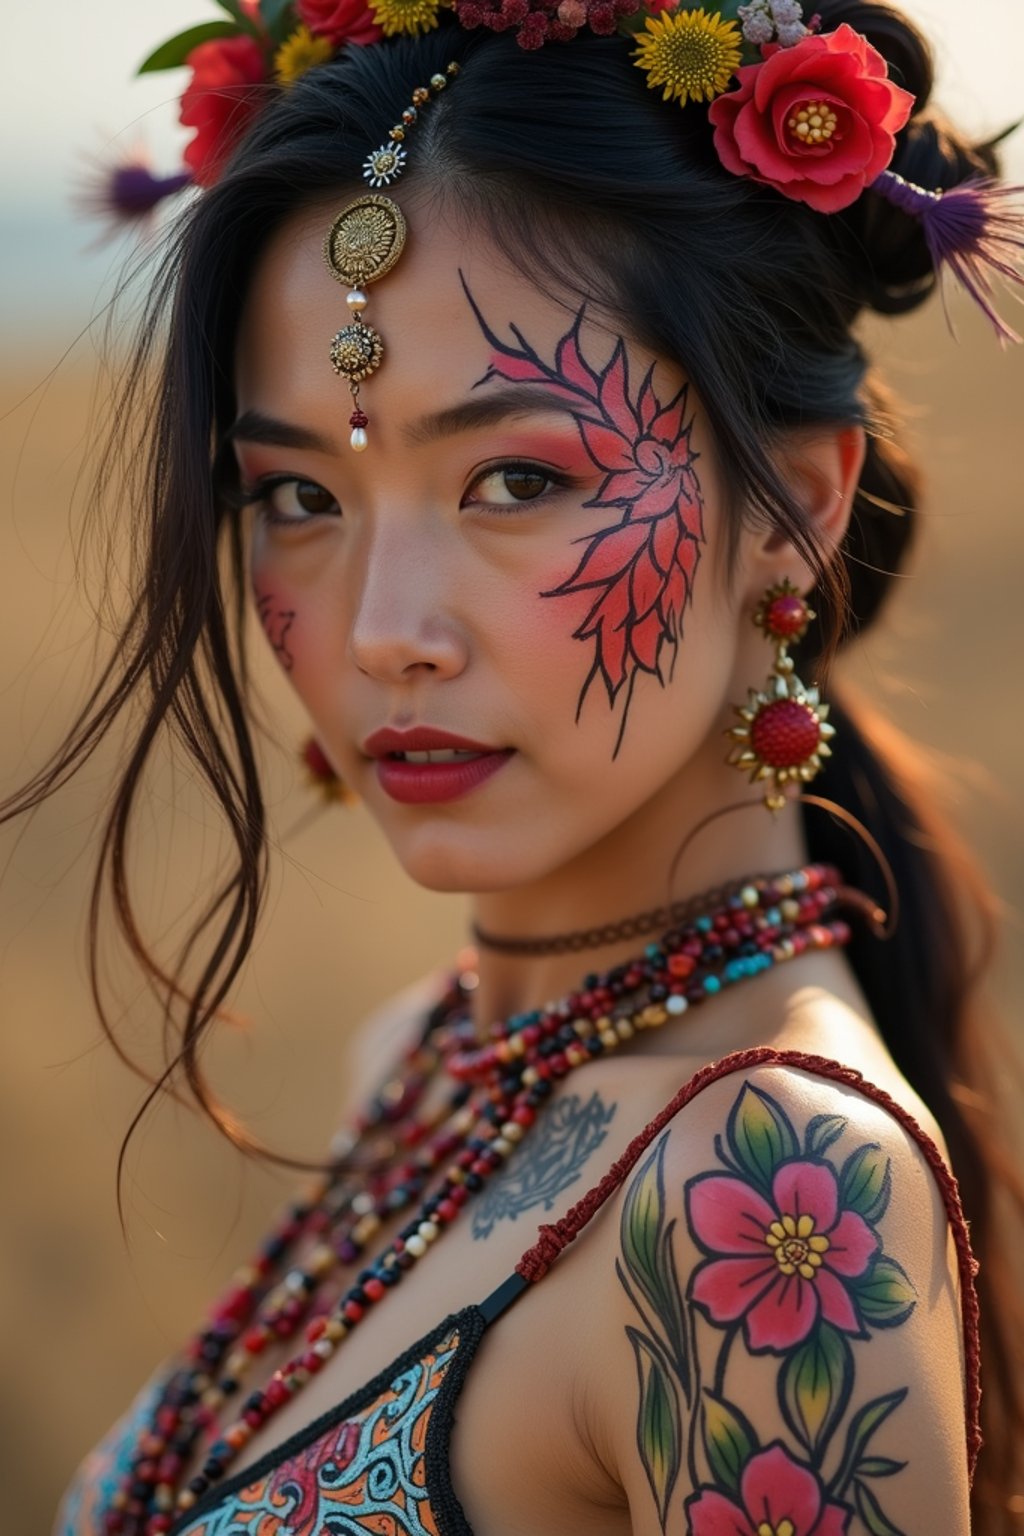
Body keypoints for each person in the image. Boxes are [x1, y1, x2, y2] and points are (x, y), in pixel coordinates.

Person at [7, 0, 1023, 1531]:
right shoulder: (426, 1058)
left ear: (793, 514)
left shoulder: (771, 1197)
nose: (384, 631)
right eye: (295, 495)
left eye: (515, 477)